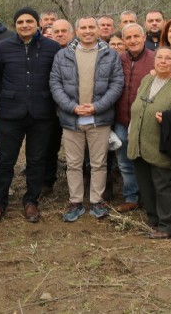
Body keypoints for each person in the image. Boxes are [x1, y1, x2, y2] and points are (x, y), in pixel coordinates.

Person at [0, 8, 60, 223]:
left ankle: (31, 202)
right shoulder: (4, 46)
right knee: (4, 160)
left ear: (38, 24)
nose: (25, 25)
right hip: (10, 114)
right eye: (20, 21)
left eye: (29, 21)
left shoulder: (51, 47)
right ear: (14, 25)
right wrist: (9, 98)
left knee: (37, 160)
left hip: (41, 114)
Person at [49, 16, 124, 222]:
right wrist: (72, 107)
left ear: (99, 30)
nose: (88, 31)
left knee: (99, 163)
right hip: (71, 119)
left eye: (92, 27)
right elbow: (55, 84)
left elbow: (117, 84)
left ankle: (96, 202)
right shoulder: (63, 55)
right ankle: (75, 202)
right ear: (76, 31)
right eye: (83, 27)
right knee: (73, 164)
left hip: (99, 119)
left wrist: (97, 107)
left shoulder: (110, 55)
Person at [127, 47, 171, 239]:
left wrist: (169, 119)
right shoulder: (147, 79)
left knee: (163, 185)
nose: (163, 61)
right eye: (160, 57)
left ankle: (169, 226)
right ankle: (155, 220)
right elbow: (137, 109)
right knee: (145, 184)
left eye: (168, 58)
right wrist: (130, 133)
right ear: (154, 60)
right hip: (139, 142)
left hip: (162, 143)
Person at [113, 23, 155, 212]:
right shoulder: (117, 59)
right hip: (122, 118)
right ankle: (131, 197)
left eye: (136, 36)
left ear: (144, 37)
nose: (133, 40)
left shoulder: (155, 59)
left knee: (148, 160)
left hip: (147, 120)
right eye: (128, 38)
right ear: (123, 41)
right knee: (124, 160)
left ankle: (149, 197)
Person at [43, 18, 75, 194]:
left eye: (64, 31)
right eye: (57, 32)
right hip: (49, 107)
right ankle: (47, 181)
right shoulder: (45, 51)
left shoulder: (79, 50)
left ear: (72, 33)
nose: (60, 34)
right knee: (49, 145)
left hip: (74, 107)